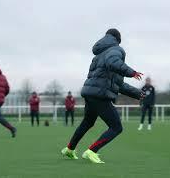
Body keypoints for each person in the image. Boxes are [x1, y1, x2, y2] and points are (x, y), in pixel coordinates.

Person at [61, 28, 144, 163]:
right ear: (118, 40)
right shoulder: (116, 50)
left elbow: (119, 84)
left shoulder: (98, 55)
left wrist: (138, 93)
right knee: (116, 127)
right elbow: (113, 62)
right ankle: (92, 151)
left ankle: (69, 149)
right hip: (100, 95)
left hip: (90, 93)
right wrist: (131, 72)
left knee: (87, 122)